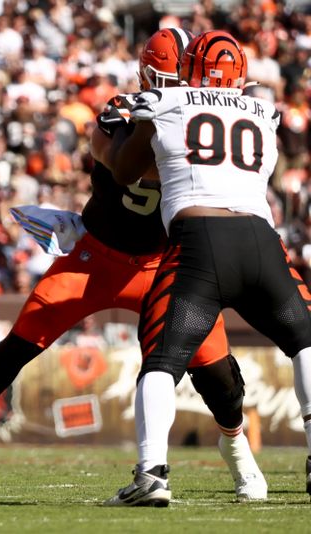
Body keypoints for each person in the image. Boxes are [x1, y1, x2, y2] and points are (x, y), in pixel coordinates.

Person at [0, 29, 267, 503]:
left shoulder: (205, 120)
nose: (174, 89)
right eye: (168, 80)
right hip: (97, 255)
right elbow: (118, 160)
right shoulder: (121, 110)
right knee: (23, 337)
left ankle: (237, 450)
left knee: (217, 372)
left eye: (180, 80)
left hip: (168, 264)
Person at [104, 30, 311, 506]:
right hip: (262, 242)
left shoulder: (164, 99)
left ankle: (152, 473)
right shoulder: (266, 111)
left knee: (161, 359)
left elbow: (123, 171)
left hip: (199, 244)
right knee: (305, 340)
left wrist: (142, 123)